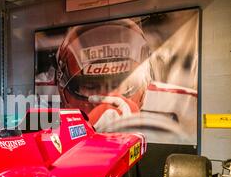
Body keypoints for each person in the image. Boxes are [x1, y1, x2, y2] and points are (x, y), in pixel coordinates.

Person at [55, 18, 197, 144]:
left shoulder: (182, 105)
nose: (109, 101)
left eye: (119, 84)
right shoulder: (42, 100)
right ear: (63, 89)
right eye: (91, 86)